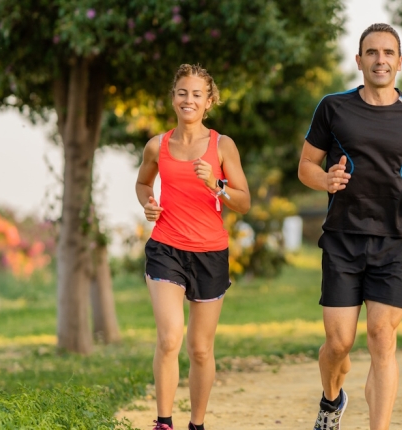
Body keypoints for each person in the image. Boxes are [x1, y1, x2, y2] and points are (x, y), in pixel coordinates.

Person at [298, 23, 402, 430]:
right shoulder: (333, 107)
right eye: (372, 52)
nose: (380, 59)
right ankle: (332, 401)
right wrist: (325, 180)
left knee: (382, 336)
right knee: (339, 343)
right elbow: (306, 166)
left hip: (395, 239)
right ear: (359, 60)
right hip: (342, 239)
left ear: (399, 62)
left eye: (388, 53)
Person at [135, 64, 250, 430]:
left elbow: (243, 202)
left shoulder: (222, 145)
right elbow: (142, 183)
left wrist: (217, 184)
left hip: (210, 253)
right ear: (173, 98)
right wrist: (147, 203)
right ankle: (164, 422)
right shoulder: (158, 145)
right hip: (166, 247)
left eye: (197, 94)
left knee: (200, 349)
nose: (189, 99)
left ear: (209, 101)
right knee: (170, 338)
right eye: (182, 92)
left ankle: (196, 424)